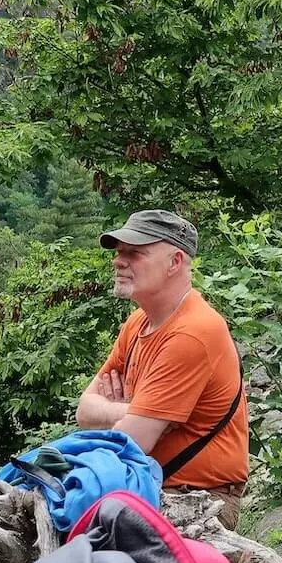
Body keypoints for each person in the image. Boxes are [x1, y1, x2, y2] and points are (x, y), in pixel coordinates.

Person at [75, 209, 250, 529]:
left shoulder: (192, 333)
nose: (118, 261)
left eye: (135, 252)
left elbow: (131, 443)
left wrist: (130, 418)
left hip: (199, 501)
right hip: (146, 487)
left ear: (175, 262)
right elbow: (83, 412)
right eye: (118, 252)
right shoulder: (137, 324)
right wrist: (130, 411)